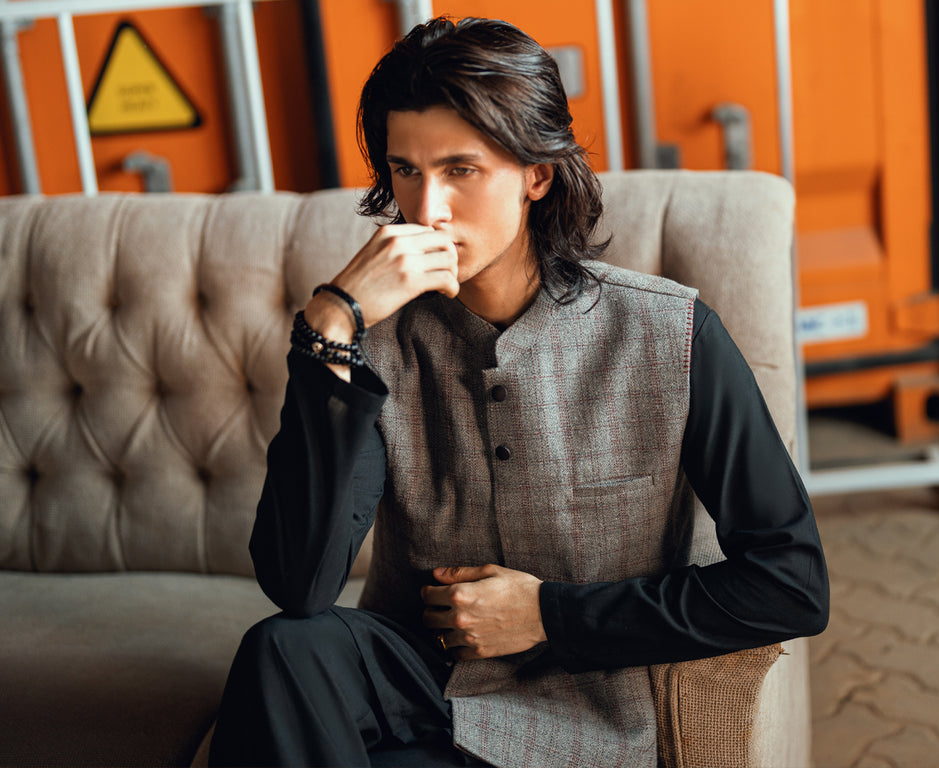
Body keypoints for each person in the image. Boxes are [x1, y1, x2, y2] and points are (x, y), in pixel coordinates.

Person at [209, 16, 828, 768]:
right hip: (418, 686)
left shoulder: (669, 333)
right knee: (284, 647)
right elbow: (299, 587)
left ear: (538, 174)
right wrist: (329, 327)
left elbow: (791, 584)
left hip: (591, 707)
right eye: (406, 170)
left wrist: (548, 614)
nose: (427, 210)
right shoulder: (371, 346)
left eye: (460, 170)